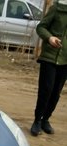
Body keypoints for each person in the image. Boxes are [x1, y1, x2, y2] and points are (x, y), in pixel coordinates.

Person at [30, 0, 67, 136]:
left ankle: (46, 119)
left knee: (56, 93)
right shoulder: (56, 9)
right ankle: (37, 121)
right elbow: (41, 27)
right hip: (49, 57)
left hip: (65, 60)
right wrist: (50, 37)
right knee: (46, 90)